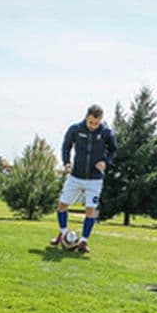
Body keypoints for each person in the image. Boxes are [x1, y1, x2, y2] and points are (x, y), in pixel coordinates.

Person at [49, 105, 117, 253]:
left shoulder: (106, 133)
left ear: (100, 120)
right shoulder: (75, 129)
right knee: (62, 205)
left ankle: (84, 242)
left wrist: (105, 162)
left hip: (95, 179)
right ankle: (62, 233)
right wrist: (66, 162)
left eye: (96, 123)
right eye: (90, 122)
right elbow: (66, 146)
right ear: (86, 117)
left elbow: (113, 150)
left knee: (90, 210)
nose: (93, 126)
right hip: (75, 176)